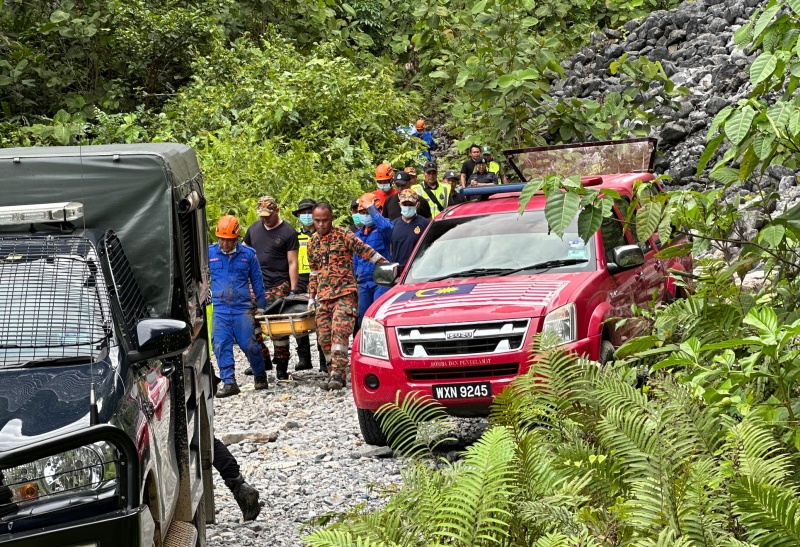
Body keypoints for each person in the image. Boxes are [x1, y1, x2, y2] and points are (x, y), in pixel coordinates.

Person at [307, 202, 388, 391]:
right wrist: (311, 297)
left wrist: (385, 264)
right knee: (324, 337)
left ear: (331, 218)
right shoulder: (312, 243)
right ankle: (331, 371)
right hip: (324, 296)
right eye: (317, 221)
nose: (320, 225)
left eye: (324, 220)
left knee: (340, 332)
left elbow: (365, 250)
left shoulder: (343, 235)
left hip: (345, 293)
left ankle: (338, 375)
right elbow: (313, 272)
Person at [209, 215, 269, 397]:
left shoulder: (248, 255)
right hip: (220, 309)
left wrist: (262, 306)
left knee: (249, 345)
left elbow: (257, 281)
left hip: (242, 308)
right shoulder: (209, 253)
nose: (224, 244)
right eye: (221, 239)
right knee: (220, 344)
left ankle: (260, 375)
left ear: (236, 237)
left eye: (228, 240)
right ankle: (229, 382)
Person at [243, 196, 300, 381]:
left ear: (276, 211)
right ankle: (262, 359)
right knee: (248, 323)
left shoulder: (288, 232)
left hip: (278, 283)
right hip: (256, 284)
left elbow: (292, 262)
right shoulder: (253, 229)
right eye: (262, 216)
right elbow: (244, 252)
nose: (265, 219)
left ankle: (281, 364)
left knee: (277, 326)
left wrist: (292, 289)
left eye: (268, 215)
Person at [292, 198, 328, 373]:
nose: (306, 216)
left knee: (321, 318)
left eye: (309, 212)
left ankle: (323, 360)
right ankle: (304, 358)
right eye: (302, 213)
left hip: (320, 278)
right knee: (300, 317)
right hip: (300, 279)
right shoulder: (295, 235)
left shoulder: (324, 235)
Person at [354, 192, 394, 330]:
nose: (365, 215)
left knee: (379, 316)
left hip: (381, 280)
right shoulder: (357, 235)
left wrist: (372, 209)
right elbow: (355, 260)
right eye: (362, 212)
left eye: (368, 211)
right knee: (363, 318)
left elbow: (387, 229)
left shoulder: (384, 227)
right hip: (363, 282)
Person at [391, 189, 430, 271]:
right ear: (399, 204)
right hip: (399, 271)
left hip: (419, 269)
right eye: (405, 204)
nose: (408, 207)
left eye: (411, 204)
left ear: (417, 204)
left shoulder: (426, 224)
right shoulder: (392, 225)